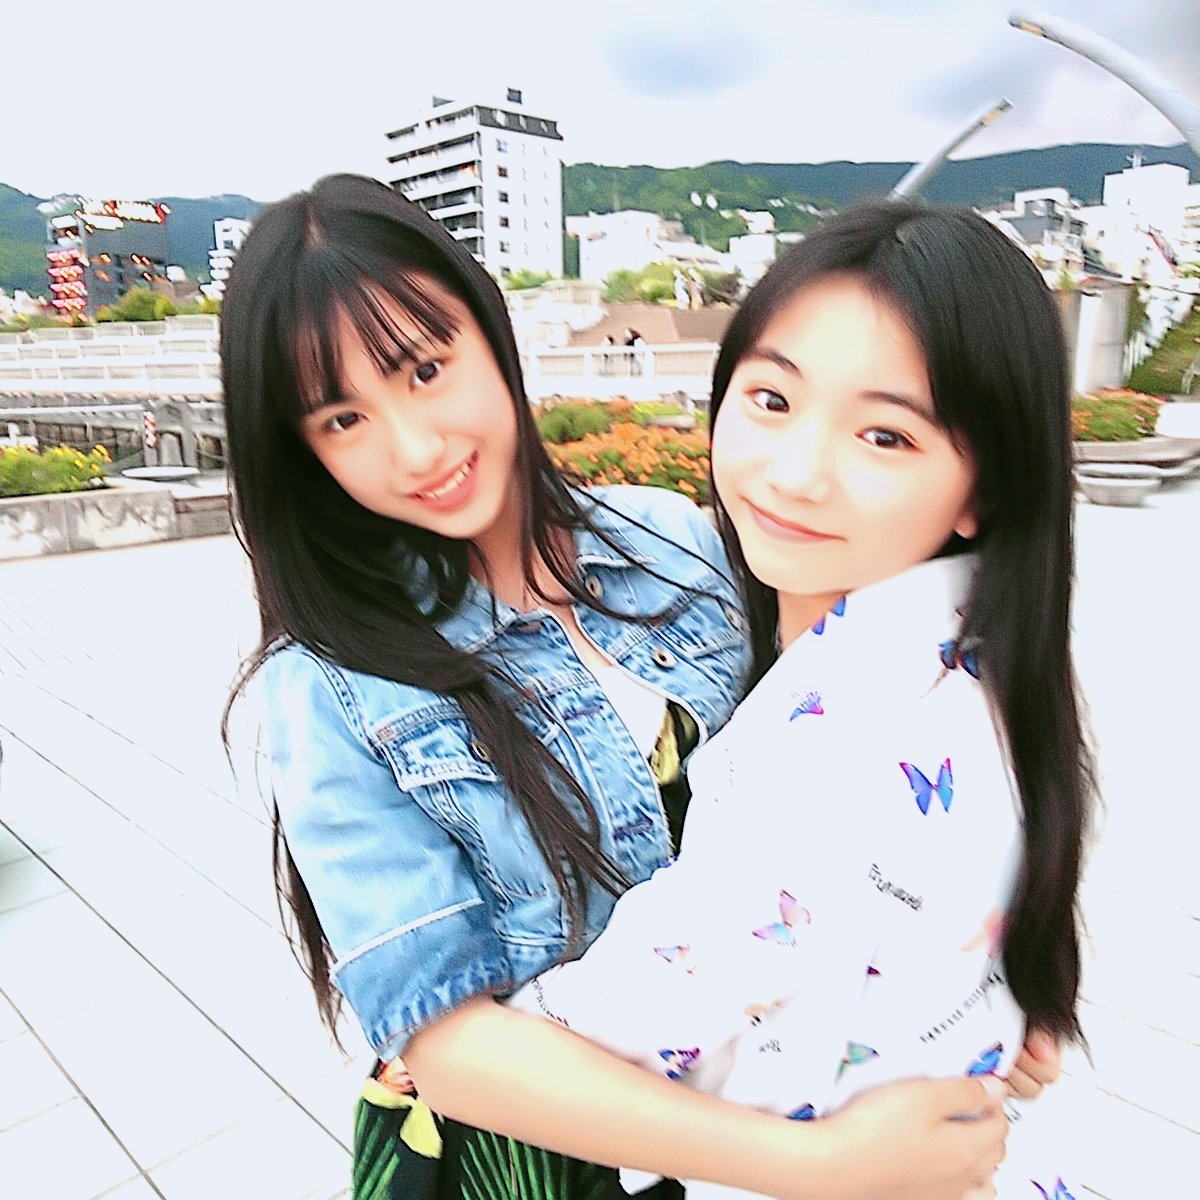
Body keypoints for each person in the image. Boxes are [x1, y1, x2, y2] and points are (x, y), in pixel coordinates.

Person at [219, 175, 1053, 1200]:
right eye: (344, 419)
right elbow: (444, 1044)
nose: (417, 447)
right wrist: (819, 1166)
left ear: (490, 332)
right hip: (544, 1160)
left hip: (767, 1098)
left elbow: (854, 797)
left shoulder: (676, 543)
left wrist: (968, 998)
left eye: (427, 370)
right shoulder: (330, 684)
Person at [510, 201, 1094, 1199]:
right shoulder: (990, 658)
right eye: (772, 399)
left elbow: (659, 1003)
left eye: (884, 435)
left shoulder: (833, 744)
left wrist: (477, 1040)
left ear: (982, 487)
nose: (795, 474)